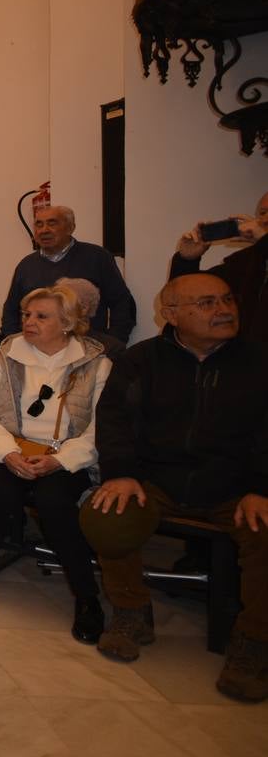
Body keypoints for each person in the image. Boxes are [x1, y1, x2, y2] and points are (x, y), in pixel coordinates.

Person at [80, 273, 268, 702]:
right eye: (205, 303)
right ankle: (131, 612)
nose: (222, 309)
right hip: (157, 480)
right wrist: (121, 474)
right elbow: (115, 423)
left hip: (237, 487)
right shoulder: (140, 361)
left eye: (226, 299)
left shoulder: (259, 362)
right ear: (171, 314)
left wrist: (262, 486)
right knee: (107, 516)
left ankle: (253, 642)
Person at [0, 285, 110, 644]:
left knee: (55, 503)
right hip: (10, 448)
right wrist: (8, 453)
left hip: (65, 456)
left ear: (68, 323)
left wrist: (60, 461)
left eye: (42, 316)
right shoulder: (4, 357)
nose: (29, 322)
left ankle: (87, 597)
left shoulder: (96, 364)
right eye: (27, 315)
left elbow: (102, 426)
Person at [0, 206, 135, 345]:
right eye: (39, 224)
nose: (44, 230)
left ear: (70, 228)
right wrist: (15, 345)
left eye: (52, 223)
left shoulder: (97, 257)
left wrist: (114, 342)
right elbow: (11, 310)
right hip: (38, 353)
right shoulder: (26, 265)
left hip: (88, 352)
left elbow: (122, 303)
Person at [169, 190, 268, 342]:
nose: (265, 219)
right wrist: (187, 261)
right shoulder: (242, 262)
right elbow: (186, 297)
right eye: (263, 212)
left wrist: (264, 242)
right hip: (247, 360)